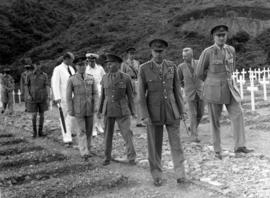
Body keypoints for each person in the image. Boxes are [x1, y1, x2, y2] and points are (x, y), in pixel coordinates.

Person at [196, 25, 253, 160]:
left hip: (229, 87)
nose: (221, 37)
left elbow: (231, 68)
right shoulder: (208, 52)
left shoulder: (230, 50)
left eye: (223, 35)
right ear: (214, 37)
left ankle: (240, 146)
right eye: (218, 35)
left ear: (226, 36)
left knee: (238, 113)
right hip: (213, 90)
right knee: (215, 120)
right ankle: (217, 150)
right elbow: (199, 72)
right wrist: (211, 82)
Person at [138, 39, 186, 186]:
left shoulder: (172, 66)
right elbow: (140, 94)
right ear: (151, 52)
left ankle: (180, 174)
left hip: (172, 110)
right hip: (153, 112)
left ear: (165, 51)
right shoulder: (144, 68)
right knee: (154, 145)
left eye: (161, 51)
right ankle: (157, 174)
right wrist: (145, 115)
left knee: (176, 144)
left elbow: (177, 90)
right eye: (156, 51)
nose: (158, 54)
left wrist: (182, 110)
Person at [97, 54, 137, 166]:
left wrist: (133, 112)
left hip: (122, 110)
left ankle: (131, 158)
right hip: (108, 109)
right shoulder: (104, 77)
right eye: (107, 64)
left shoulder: (126, 78)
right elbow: (103, 96)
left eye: (111, 63)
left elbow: (130, 96)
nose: (108, 66)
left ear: (118, 64)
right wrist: (99, 111)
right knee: (107, 135)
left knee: (127, 134)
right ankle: (107, 157)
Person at [66, 57, 99, 161]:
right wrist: (71, 110)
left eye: (84, 64)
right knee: (81, 131)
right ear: (76, 66)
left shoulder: (91, 78)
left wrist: (96, 105)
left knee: (89, 130)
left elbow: (96, 93)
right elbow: (68, 96)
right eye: (80, 65)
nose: (82, 67)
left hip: (89, 108)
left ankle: (88, 149)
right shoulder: (72, 79)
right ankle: (84, 151)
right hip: (78, 108)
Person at [177, 48, 204, 143]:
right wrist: (185, 87)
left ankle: (192, 127)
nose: (184, 58)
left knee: (200, 113)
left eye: (186, 56)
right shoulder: (181, 67)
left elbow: (204, 74)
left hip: (201, 92)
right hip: (189, 93)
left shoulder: (199, 63)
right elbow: (179, 80)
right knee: (193, 114)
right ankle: (194, 136)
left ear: (191, 55)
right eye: (183, 56)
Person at [51, 52, 77, 147]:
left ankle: (69, 132)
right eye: (71, 60)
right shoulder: (58, 69)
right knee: (64, 117)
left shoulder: (71, 69)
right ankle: (67, 139)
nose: (72, 62)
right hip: (63, 97)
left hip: (73, 96)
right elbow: (55, 83)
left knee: (72, 117)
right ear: (66, 58)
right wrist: (57, 97)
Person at [121, 47, 145, 127]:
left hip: (136, 82)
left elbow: (139, 73)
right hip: (128, 82)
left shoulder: (137, 63)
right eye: (130, 53)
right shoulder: (124, 64)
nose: (132, 55)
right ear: (128, 54)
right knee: (128, 101)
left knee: (138, 101)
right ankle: (127, 121)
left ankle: (139, 121)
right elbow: (122, 75)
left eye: (133, 53)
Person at [25, 61, 49, 138]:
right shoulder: (29, 75)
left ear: (40, 65)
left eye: (39, 64)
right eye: (36, 64)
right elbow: (26, 86)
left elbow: (47, 86)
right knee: (34, 115)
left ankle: (40, 132)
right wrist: (28, 95)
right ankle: (34, 132)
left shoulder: (44, 75)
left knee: (42, 115)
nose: (38, 66)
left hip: (42, 98)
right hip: (33, 98)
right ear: (34, 65)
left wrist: (48, 96)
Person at [85, 52, 106, 136]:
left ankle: (99, 125)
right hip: (90, 92)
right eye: (89, 61)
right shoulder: (86, 70)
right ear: (87, 61)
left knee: (100, 109)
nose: (91, 63)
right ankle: (93, 128)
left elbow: (104, 77)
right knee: (92, 110)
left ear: (95, 60)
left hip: (100, 91)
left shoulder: (100, 68)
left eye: (92, 61)